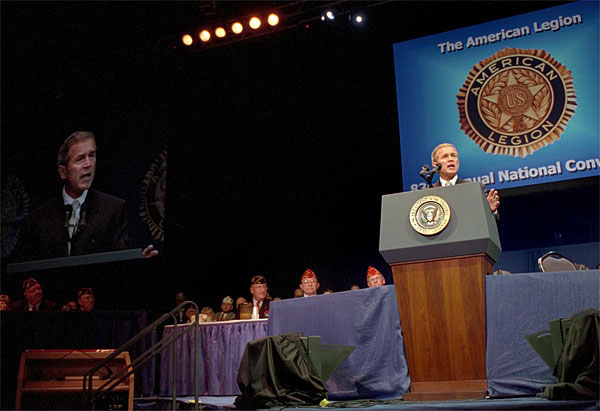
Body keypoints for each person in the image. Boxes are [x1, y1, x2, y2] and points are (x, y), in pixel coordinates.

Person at [13, 131, 158, 261]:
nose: (88, 164)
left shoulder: (112, 210)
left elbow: (119, 261)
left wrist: (137, 263)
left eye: (92, 156)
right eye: (80, 159)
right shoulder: (38, 220)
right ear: (63, 172)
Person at [431, 143, 500, 215]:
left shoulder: (474, 188)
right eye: (445, 156)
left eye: (453, 156)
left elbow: (491, 219)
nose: (451, 159)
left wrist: (491, 210)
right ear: (435, 164)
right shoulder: (430, 191)